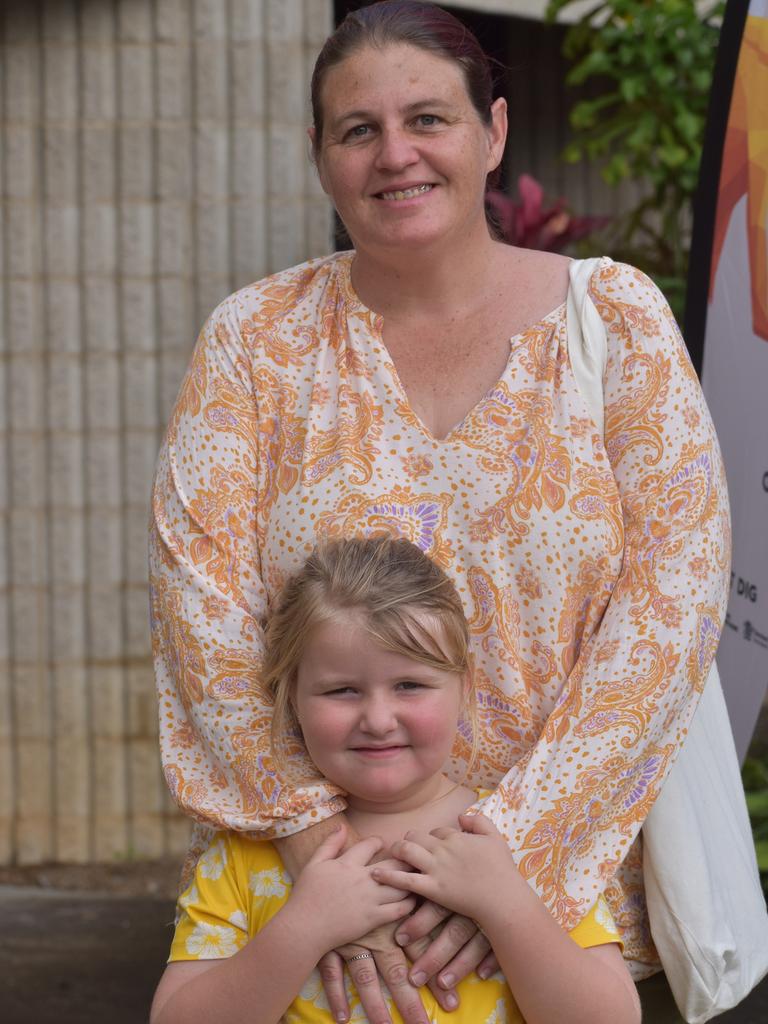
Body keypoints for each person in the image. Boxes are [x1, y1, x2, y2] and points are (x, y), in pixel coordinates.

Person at [149, 2, 730, 1022]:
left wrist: (503, 862)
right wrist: (332, 872)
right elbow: (201, 608)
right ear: (321, 156)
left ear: (494, 131)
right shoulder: (256, 340)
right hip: (314, 905)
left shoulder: (617, 320)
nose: (395, 154)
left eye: (430, 119)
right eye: (357, 129)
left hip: (561, 905)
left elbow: (674, 600)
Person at [150, 538, 641, 1024]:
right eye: (342, 690)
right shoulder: (249, 850)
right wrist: (302, 928)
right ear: (291, 697)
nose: (379, 720)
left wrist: (508, 906)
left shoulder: (517, 838)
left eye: (410, 685)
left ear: (463, 688)